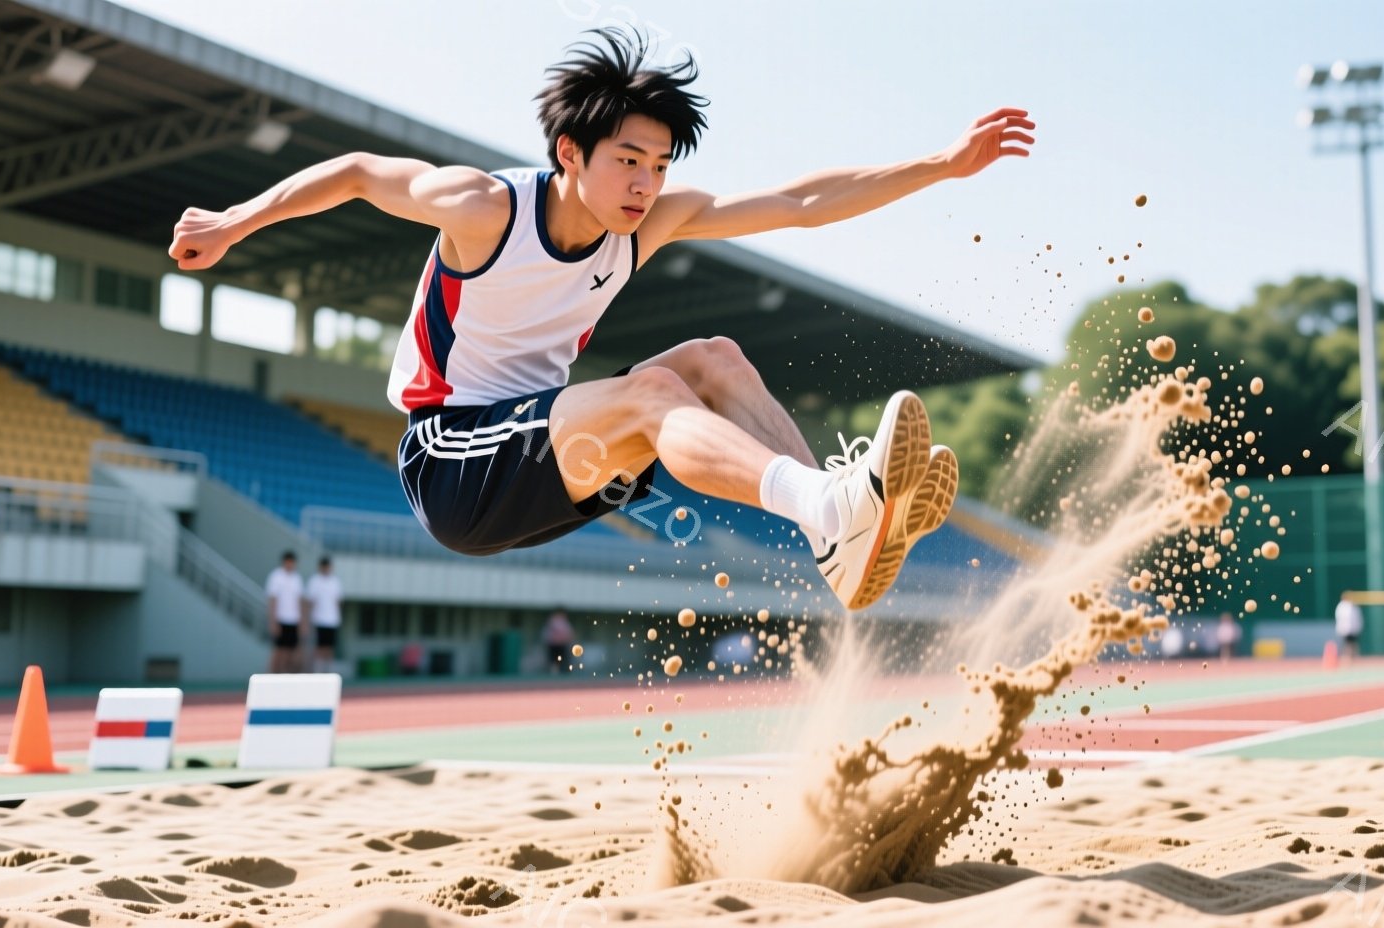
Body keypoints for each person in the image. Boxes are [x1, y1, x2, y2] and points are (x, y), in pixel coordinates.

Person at [170, 28, 1035, 612]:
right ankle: (825, 506)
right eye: (628, 160)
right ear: (570, 154)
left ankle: (831, 529)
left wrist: (943, 164)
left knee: (715, 357)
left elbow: (801, 201)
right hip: (451, 464)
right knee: (655, 390)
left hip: (542, 451)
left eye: (659, 165)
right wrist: (232, 223)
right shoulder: (483, 210)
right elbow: (359, 171)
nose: (646, 185)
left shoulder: (646, 222)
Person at [265, 550, 306, 673]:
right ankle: (271, 677)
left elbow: (300, 601)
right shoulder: (276, 576)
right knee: (279, 651)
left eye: (292, 563)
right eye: (288, 562)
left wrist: (302, 621)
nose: (290, 565)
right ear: (284, 562)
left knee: (291, 651)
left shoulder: (297, 578)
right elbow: (272, 600)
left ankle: (286, 677)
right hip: (280, 619)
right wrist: (273, 621)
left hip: (293, 620)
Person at [306, 555, 345, 673]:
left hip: (332, 620)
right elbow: (310, 601)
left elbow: (339, 601)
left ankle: (328, 672)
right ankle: (318, 672)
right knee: (320, 648)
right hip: (319, 620)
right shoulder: (314, 581)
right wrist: (307, 619)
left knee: (330, 648)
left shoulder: (335, 581)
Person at [542, 607, 575, 673]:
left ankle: (562, 672)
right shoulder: (552, 621)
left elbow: (569, 633)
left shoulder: (565, 622)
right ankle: (554, 672)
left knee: (563, 660)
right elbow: (547, 633)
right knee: (553, 661)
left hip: (562, 645)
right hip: (553, 645)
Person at [1334, 591, 1364, 664]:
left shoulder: (1354, 606)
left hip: (1353, 629)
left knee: (1354, 644)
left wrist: (1358, 627)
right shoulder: (1342, 607)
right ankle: (1346, 658)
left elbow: (1358, 618)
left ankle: (1353, 658)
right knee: (1347, 644)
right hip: (1345, 629)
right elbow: (1341, 618)